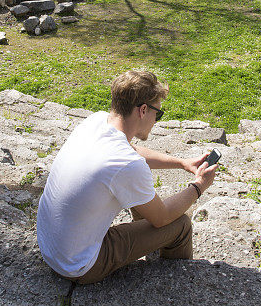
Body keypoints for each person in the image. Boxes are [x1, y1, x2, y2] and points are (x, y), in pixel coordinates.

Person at [36, 70, 218, 284]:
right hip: (78, 266)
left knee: (138, 181)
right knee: (180, 225)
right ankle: (175, 284)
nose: (156, 120)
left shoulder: (95, 122)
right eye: (157, 114)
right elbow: (162, 217)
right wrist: (198, 186)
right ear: (143, 110)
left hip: (50, 246)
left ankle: (151, 242)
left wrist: (182, 163)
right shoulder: (126, 164)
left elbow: (132, 153)